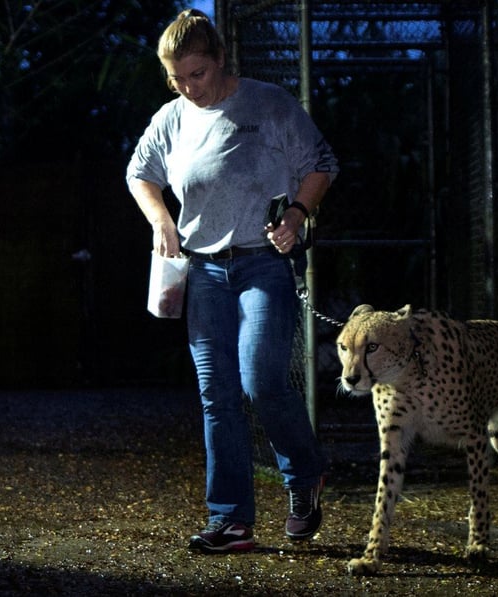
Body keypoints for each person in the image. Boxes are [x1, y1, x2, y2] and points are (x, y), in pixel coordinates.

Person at [125, 9, 337, 553]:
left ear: (219, 60)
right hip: (201, 269)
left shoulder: (268, 104)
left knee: (260, 378)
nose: (187, 88)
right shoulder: (171, 117)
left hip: (263, 261)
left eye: (196, 74)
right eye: (175, 78)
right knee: (215, 392)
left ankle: (304, 476)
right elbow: (139, 172)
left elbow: (321, 163)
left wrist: (295, 215)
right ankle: (231, 519)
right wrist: (161, 220)